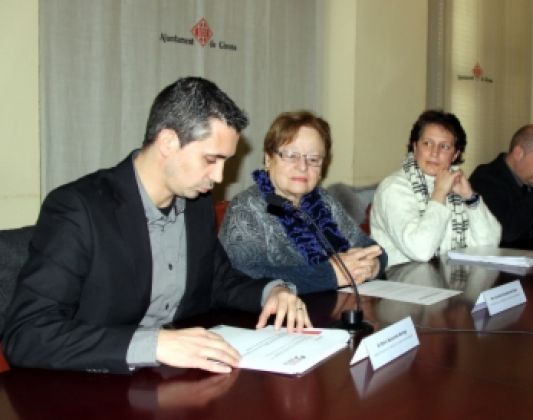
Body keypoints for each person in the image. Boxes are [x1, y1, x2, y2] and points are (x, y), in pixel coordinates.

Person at [2, 77, 310, 374]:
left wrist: (274, 291)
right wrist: (156, 344)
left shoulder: (196, 203)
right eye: (211, 159)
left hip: (171, 382)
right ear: (168, 142)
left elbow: (218, 281)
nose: (219, 177)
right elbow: (27, 335)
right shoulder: (78, 209)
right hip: (91, 388)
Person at [219, 111, 386, 295]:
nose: (303, 166)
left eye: (313, 159)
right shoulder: (245, 208)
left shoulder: (323, 201)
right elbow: (244, 276)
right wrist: (330, 275)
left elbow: (370, 248)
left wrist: (373, 266)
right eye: (291, 156)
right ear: (268, 159)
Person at [370, 110, 502, 267]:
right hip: (398, 284)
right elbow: (420, 250)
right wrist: (439, 193)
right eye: (427, 143)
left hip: (447, 282)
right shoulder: (393, 188)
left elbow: (489, 245)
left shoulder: (455, 185)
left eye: (444, 147)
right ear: (415, 146)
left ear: (455, 155)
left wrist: (469, 197)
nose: (434, 153)